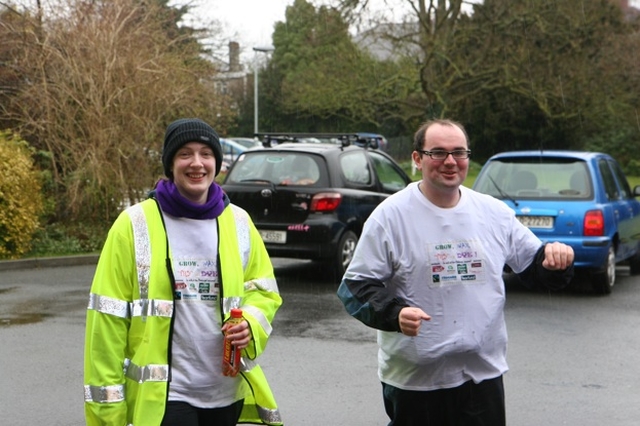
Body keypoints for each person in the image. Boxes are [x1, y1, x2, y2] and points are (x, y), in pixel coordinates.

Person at [337, 118, 575, 426]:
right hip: (415, 381)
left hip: (482, 375)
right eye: (438, 152)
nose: (450, 161)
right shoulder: (391, 216)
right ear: (417, 158)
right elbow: (355, 287)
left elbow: (534, 266)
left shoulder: (493, 213)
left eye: (459, 153)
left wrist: (556, 260)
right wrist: (394, 314)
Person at [84, 118, 283, 426]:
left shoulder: (239, 222)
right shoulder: (133, 225)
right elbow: (106, 321)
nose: (197, 163)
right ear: (170, 163)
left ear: (217, 162)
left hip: (225, 392)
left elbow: (264, 291)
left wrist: (251, 327)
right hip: (166, 398)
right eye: (185, 154)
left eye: (206, 153)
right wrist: (108, 414)